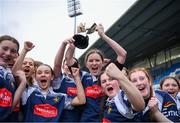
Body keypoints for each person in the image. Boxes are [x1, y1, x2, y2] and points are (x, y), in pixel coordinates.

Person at [53, 38, 98, 122]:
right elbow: (57, 65)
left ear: (78, 67)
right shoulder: (59, 80)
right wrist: (64, 44)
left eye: (72, 65)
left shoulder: (84, 78)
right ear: (63, 67)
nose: (69, 66)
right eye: (66, 65)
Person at [0, 35, 27, 121]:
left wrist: (23, 84)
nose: (8, 53)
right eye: (4, 48)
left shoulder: (8, 75)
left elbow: (9, 107)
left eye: (13, 51)